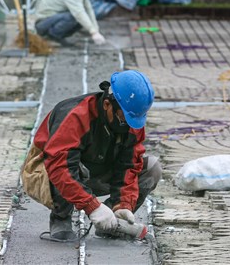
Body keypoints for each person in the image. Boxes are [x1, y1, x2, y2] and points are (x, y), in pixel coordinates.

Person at [21, 70, 162, 242]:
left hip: (95, 170)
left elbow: (129, 166)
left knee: (152, 168)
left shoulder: (132, 120)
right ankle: (60, 217)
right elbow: (60, 167)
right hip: (48, 172)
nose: (127, 124)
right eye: (123, 118)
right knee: (71, 167)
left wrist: (123, 204)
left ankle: (112, 222)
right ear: (107, 104)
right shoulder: (75, 116)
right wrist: (92, 207)